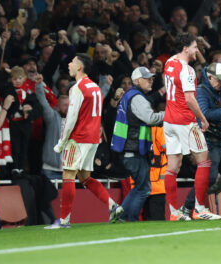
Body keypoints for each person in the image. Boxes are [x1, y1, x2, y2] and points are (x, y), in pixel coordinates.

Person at [47, 54, 123, 229]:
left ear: (80, 67)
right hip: (93, 138)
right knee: (85, 177)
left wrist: (61, 142)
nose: (69, 64)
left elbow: (71, 118)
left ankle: (64, 221)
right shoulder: (95, 87)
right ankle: (113, 206)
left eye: (72, 62)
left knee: (68, 175)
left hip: (79, 137)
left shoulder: (78, 88)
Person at [162, 34, 221, 221]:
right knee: (204, 161)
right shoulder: (186, 71)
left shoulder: (169, 63)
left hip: (169, 121)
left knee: (173, 167)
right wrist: (202, 118)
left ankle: (173, 212)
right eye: (195, 47)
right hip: (185, 122)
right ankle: (199, 208)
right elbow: (189, 98)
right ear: (185, 48)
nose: (198, 50)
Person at [110, 66, 164, 222]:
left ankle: (120, 216)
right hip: (133, 149)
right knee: (143, 188)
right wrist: (168, 115)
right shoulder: (137, 98)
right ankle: (127, 219)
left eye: (152, 78)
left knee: (140, 187)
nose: (151, 81)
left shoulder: (131, 96)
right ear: (137, 80)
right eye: (147, 78)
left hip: (128, 149)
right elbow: (150, 118)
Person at [192, 62, 221, 219]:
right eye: (219, 79)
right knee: (209, 177)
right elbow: (204, 114)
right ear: (209, 77)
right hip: (209, 140)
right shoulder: (201, 92)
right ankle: (189, 206)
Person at [33, 74, 69, 181]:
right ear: (57, 106)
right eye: (65, 105)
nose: (68, 108)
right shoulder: (52, 117)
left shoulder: (74, 121)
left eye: (70, 105)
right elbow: (43, 102)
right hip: (50, 170)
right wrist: (39, 85)